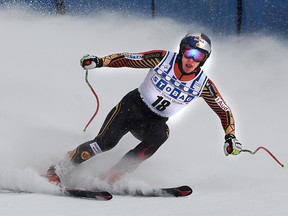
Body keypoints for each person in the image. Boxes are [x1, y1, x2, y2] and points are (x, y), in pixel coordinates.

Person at [46, 33, 242, 185]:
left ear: (204, 60)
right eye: (188, 53)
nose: (191, 60)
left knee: (161, 135)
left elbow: (224, 111)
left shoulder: (202, 84)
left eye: (198, 56)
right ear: (182, 50)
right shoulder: (163, 59)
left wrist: (230, 137)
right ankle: (57, 169)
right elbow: (129, 59)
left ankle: (114, 174)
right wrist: (100, 61)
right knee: (105, 143)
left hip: (154, 121)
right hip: (131, 107)